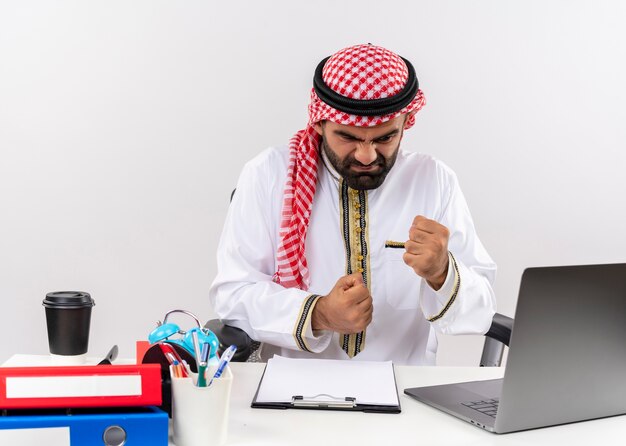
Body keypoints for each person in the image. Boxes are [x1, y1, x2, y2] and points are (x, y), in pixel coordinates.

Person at [208, 44, 496, 365]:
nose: (366, 156)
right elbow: (232, 295)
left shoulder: (434, 180)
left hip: (404, 390)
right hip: (292, 390)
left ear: (406, 123)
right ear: (319, 123)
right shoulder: (267, 174)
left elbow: (481, 311)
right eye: (348, 137)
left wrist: (443, 273)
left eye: (384, 138)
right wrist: (319, 314)